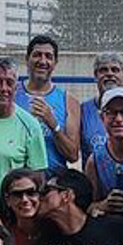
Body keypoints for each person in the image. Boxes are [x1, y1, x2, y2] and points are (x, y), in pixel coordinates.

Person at [0, 56, 51, 201]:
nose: (3, 88)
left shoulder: (30, 125)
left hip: (8, 211)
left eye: (9, 83)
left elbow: (38, 176)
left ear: (16, 88)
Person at [17, 33, 80, 167]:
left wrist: (53, 124)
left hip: (53, 178)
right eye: (37, 55)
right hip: (19, 177)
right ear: (27, 59)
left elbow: (73, 155)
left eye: (48, 56)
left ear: (55, 63)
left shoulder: (68, 101)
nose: (42, 61)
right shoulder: (12, 95)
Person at [77, 53, 123, 160]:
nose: (109, 74)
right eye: (103, 70)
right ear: (96, 76)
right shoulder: (82, 111)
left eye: (115, 70)